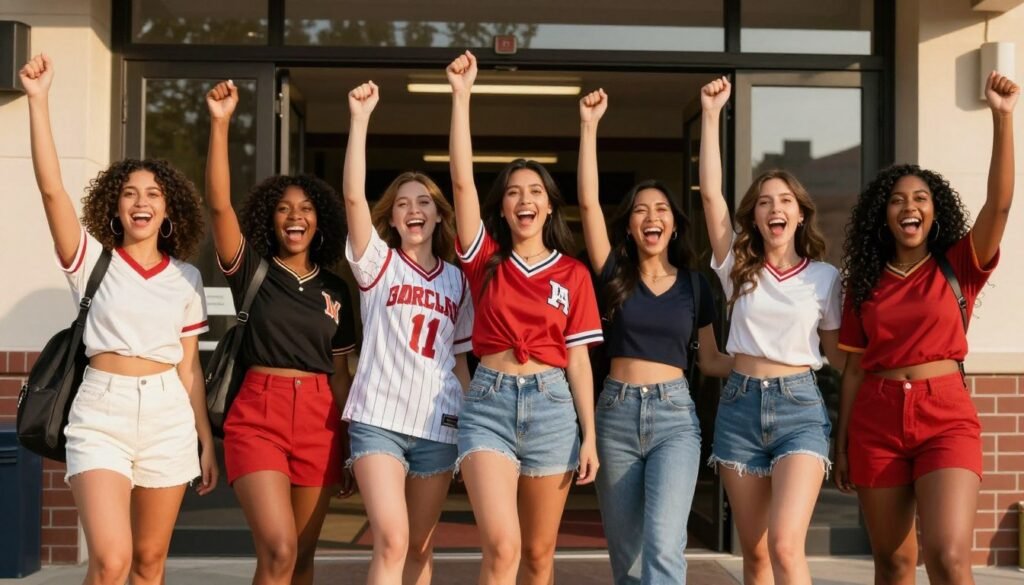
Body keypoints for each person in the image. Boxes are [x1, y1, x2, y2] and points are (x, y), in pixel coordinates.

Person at [21, 54, 218, 585]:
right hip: (100, 414)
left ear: (169, 210)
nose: (141, 201)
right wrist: (39, 102)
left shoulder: (186, 279)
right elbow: (51, 190)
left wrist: (204, 437)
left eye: (153, 194)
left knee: (149, 565)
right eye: (130, 192)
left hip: (168, 417)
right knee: (111, 563)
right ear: (115, 206)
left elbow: (189, 368)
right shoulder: (90, 261)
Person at [835, 72, 1018, 585]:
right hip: (876, 418)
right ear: (884, 215)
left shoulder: (960, 263)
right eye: (896, 199)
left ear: (934, 212)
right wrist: (843, 441)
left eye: (920, 198)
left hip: (945, 416)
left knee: (948, 555)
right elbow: (852, 367)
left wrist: (1002, 119)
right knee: (893, 564)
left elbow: (998, 205)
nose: (908, 206)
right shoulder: (863, 282)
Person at [447, 50, 602, 585]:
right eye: (513, 192)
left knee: (538, 556)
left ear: (550, 206)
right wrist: (461, 97)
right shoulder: (484, 259)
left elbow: (579, 360)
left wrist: (590, 434)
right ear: (504, 208)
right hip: (488, 402)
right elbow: (463, 185)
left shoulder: (574, 274)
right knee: (502, 546)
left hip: (554, 407)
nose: (524, 199)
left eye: (534, 191)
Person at [578, 88, 733, 585]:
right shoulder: (612, 275)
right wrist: (589, 126)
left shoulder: (696, 284)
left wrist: (776, 364)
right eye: (641, 210)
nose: (652, 217)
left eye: (661, 209)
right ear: (629, 227)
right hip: (615, 416)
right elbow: (586, 204)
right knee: (627, 559)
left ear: (673, 223)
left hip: (674, 420)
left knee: (665, 547)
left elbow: (710, 360)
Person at [205, 80, 357, 585]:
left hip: (321, 418)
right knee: (278, 548)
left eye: (307, 208)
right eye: (284, 208)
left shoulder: (337, 288)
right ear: (270, 219)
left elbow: (341, 373)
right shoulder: (252, 270)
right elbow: (220, 207)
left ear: (321, 221)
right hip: (258, 415)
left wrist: (352, 443)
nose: (296, 216)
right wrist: (221, 123)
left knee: (304, 557)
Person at [699, 76, 846, 585]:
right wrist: (712, 114)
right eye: (764, 202)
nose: (774, 208)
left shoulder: (826, 279)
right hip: (739, 406)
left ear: (800, 214)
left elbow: (839, 354)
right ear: (755, 218)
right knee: (756, 554)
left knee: (786, 545)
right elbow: (713, 196)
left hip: (801, 408)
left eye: (784, 200)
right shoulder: (736, 266)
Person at [342, 81, 474, 585]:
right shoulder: (378, 264)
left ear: (439, 213)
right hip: (378, 420)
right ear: (392, 219)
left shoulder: (458, 279)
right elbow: (353, 195)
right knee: (392, 539)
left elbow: (460, 360)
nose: (413, 209)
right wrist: (360, 120)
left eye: (423, 201)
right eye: (402, 204)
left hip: (439, 425)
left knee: (419, 547)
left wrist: (469, 422)